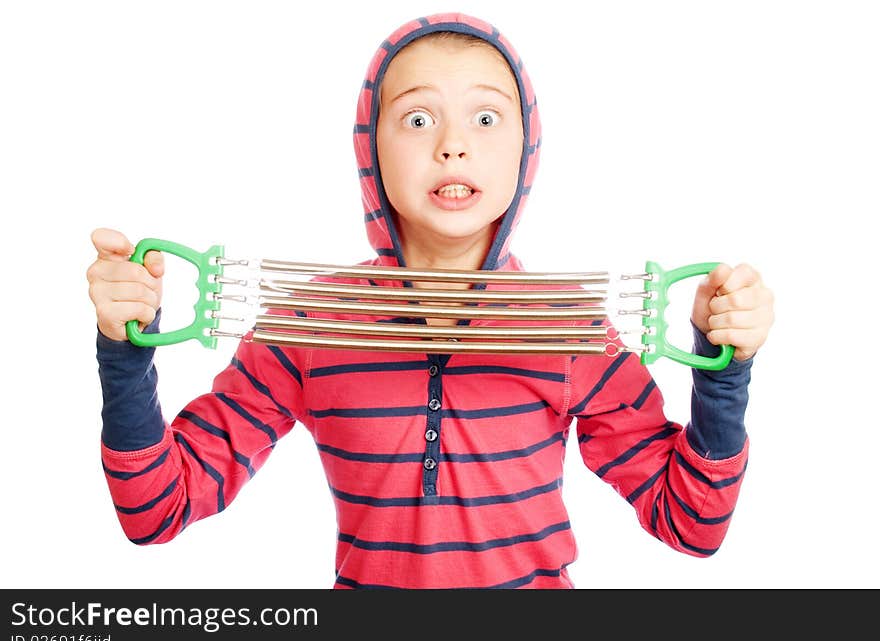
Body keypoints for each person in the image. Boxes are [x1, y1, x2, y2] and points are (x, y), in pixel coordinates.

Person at [86, 12, 774, 588]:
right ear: (370, 147)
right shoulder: (305, 323)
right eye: (417, 119)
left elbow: (691, 525)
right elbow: (156, 510)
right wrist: (125, 355)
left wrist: (722, 371)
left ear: (525, 150)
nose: (452, 146)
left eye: (485, 118)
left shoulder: (572, 328)